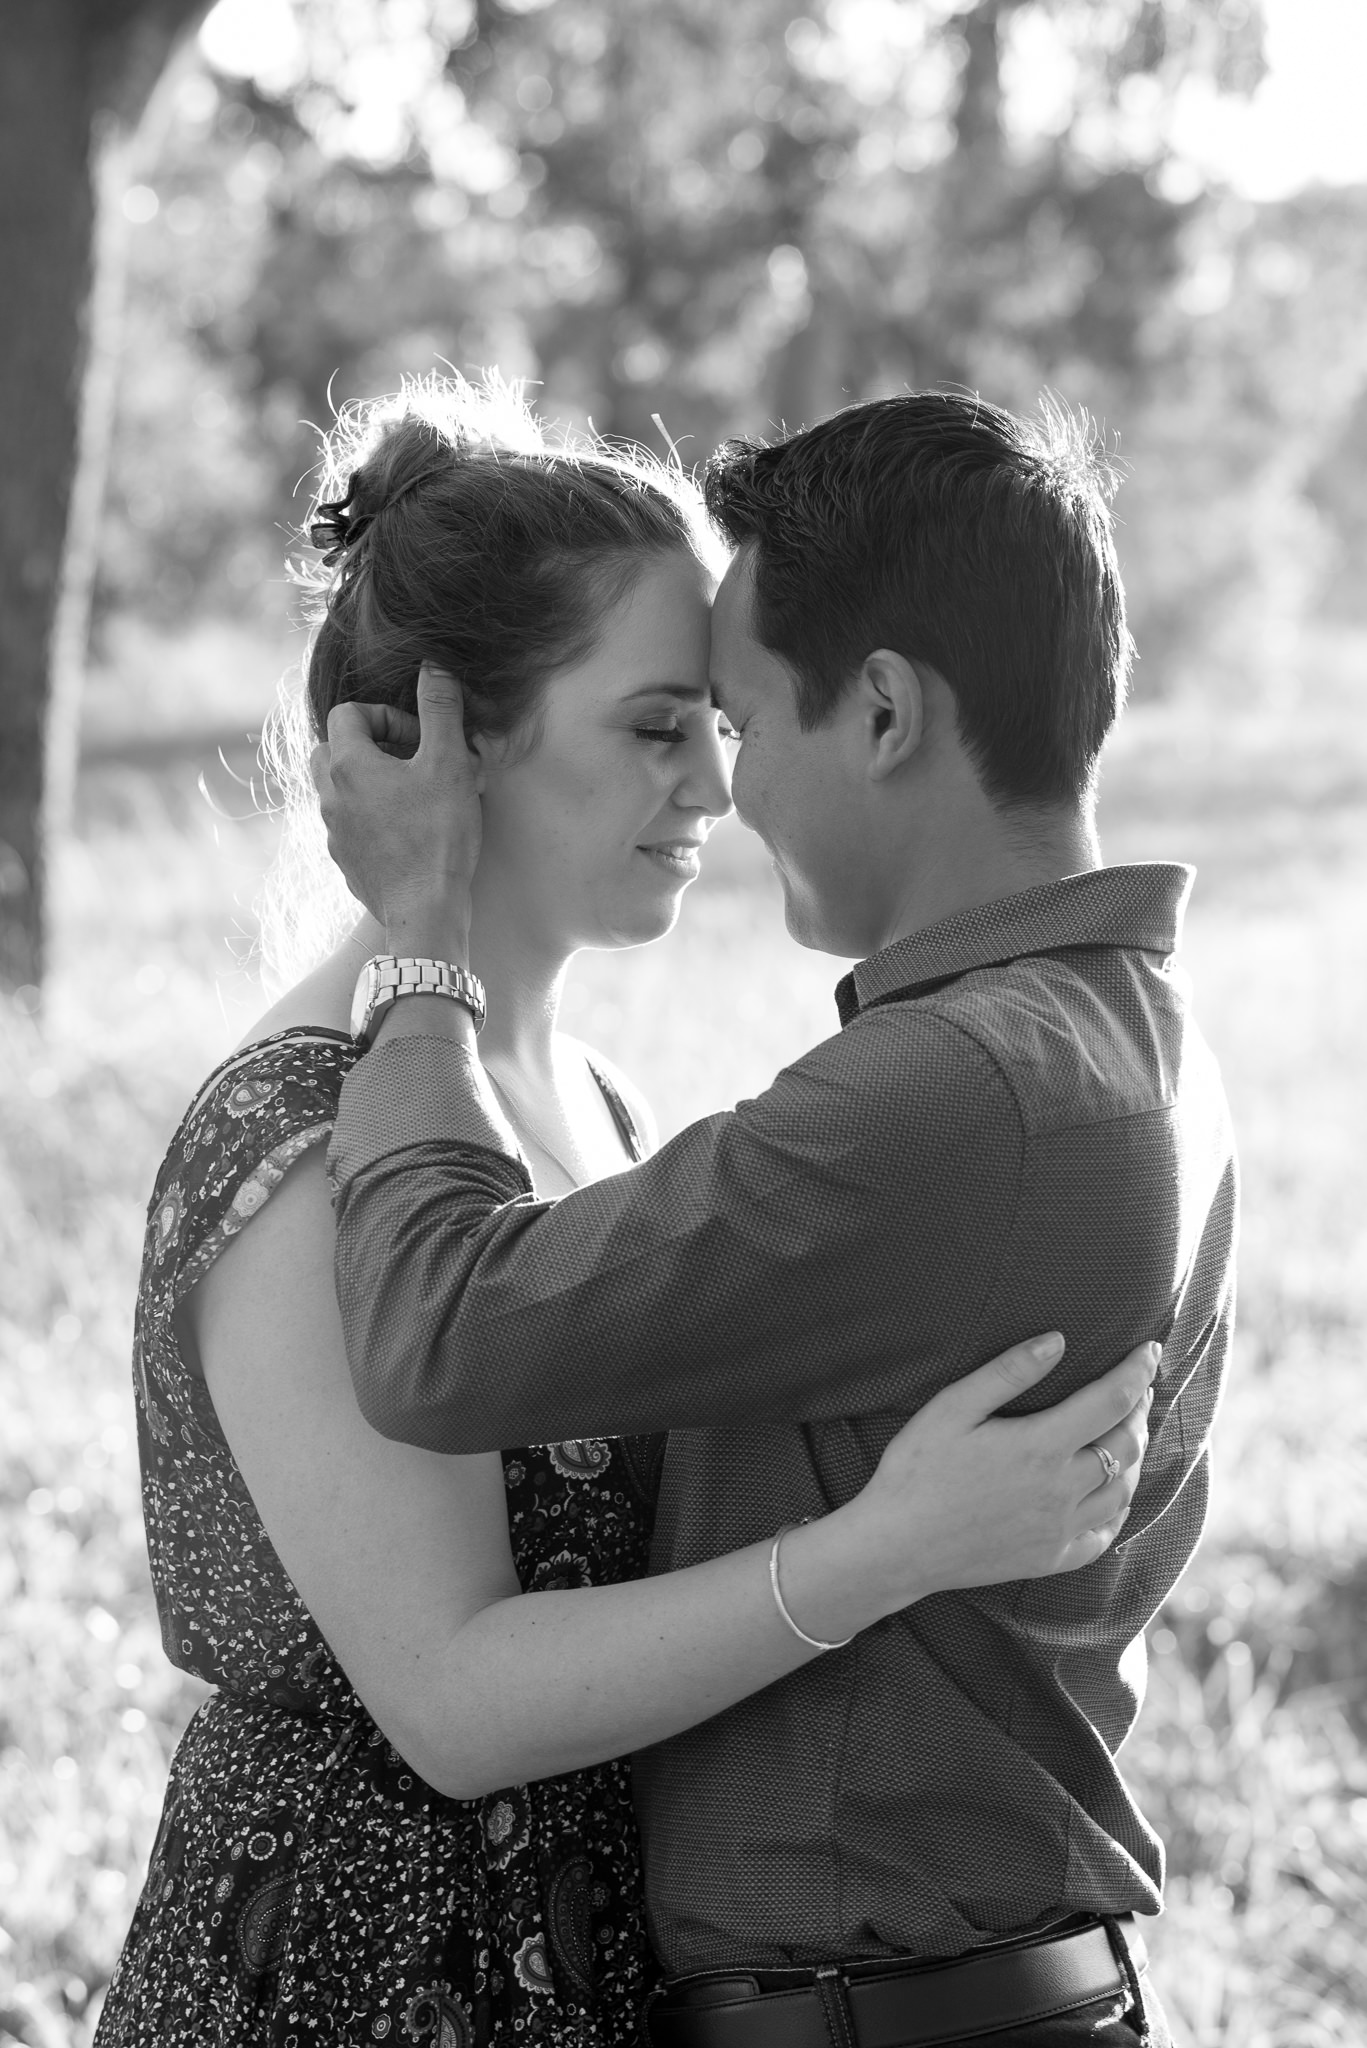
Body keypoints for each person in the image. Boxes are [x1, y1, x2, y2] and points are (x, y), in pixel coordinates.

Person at [94, 380, 1157, 2048]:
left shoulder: (605, 1105)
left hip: (600, 1977)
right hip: (365, 1979)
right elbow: (450, 1700)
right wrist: (881, 1552)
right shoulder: (299, 1130)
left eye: (724, 726)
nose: (717, 790)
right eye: (659, 727)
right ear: (453, 740)